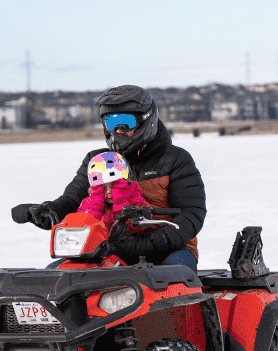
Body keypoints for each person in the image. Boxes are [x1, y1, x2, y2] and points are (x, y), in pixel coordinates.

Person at [11, 84, 207, 270]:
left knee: (176, 276)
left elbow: (192, 214)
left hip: (166, 249)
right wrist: (46, 211)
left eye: (126, 123)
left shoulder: (175, 159)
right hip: (105, 247)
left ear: (147, 121)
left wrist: (145, 244)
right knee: (54, 279)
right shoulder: (96, 160)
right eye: (111, 122)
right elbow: (72, 200)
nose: (118, 131)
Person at [77, 151, 151, 227]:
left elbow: (142, 228)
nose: (108, 191)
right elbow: (83, 227)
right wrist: (95, 203)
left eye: (113, 185)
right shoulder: (89, 203)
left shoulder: (135, 200)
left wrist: (120, 201)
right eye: (104, 187)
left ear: (125, 183)